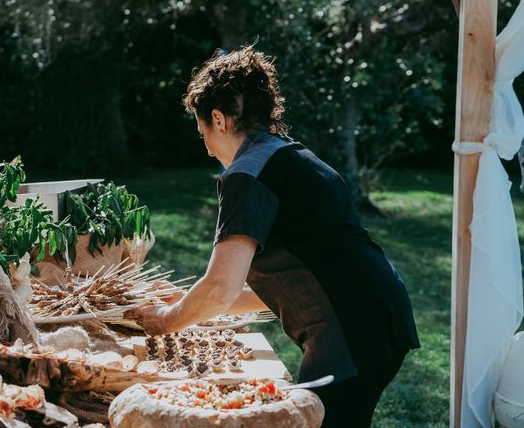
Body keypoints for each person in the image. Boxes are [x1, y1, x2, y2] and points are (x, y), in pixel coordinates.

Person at [126, 45, 420, 427]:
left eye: (202, 133)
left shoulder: (247, 174)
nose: (207, 146)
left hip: (351, 334)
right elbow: (270, 285)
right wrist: (185, 302)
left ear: (218, 119)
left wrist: (166, 320)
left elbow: (220, 287)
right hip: (382, 314)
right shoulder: (290, 154)